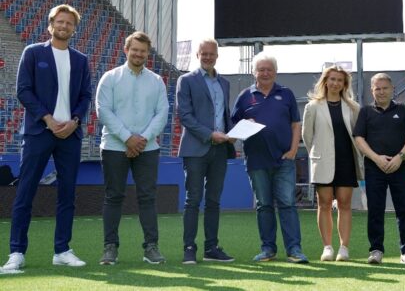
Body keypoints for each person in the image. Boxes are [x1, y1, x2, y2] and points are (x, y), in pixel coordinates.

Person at [3, 4, 91, 271]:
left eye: (69, 23)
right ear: (50, 25)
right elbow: (24, 90)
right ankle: (17, 252)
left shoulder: (80, 60)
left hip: (70, 134)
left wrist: (74, 121)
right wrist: (48, 119)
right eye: (60, 22)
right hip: (40, 131)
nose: (64, 26)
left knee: (67, 194)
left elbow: (86, 96)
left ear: (74, 28)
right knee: (26, 191)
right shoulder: (33, 53)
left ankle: (62, 249)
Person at [95, 31, 169, 265]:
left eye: (143, 51)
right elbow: (103, 111)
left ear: (148, 54)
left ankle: (151, 247)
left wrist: (142, 139)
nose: (139, 54)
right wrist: (128, 138)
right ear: (126, 50)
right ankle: (110, 248)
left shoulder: (156, 81)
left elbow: (162, 114)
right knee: (114, 196)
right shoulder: (110, 78)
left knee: (147, 197)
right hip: (115, 146)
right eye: (134, 49)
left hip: (147, 148)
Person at [231, 52, 308, 264]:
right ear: (254, 72)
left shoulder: (287, 93)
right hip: (256, 161)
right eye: (261, 69)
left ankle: (294, 249)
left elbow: (295, 124)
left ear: (275, 72)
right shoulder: (245, 96)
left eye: (269, 69)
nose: (265, 73)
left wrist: (293, 151)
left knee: (287, 204)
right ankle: (268, 249)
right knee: (264, 206)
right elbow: (233, 126)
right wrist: (244, 124)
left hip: (284, 160)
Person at [176, 38, 235, 264]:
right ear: (198, 56)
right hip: (196, 148)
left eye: (212, 54)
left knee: (214, 201)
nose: (208, 57)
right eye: (204, 54)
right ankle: (189, 248)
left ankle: (211, 247)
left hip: (220, 150)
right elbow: (185, 116)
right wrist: (209, 134)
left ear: (217, 56)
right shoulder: (186, 81)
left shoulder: (225, 83)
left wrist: (236, 128)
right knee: (193, 199)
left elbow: (223, 115)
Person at [353, 73, 405, 265]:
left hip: (400, 167)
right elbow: (359, 138)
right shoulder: (365, 112)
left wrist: (400, 157)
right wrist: (376, 158)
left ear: (392, 89)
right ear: (372, 91)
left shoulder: (403, 110)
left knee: (404, 209)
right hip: (374, 169)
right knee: (375, 210)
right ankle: (376, 250)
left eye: (384, 88)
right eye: (377, 88)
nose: (381, 92)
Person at [302, 65, 363, 262]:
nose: (335, 83)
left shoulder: (353, 107)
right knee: (324, 204)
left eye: (340, 80)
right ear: (325, 82)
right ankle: (327, 247)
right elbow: (307, 136)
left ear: (344, 84)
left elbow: (358, 135)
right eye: (332, 79)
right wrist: (319, 153)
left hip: (346, 161)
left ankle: (344, 248)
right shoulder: (312, 107)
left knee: (345, 204)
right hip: (322, 162)